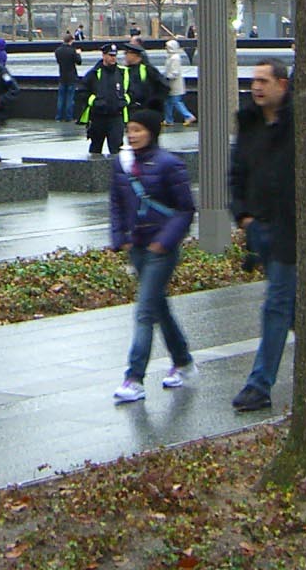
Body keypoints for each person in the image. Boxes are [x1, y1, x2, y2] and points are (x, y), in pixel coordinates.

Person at [108, 109, 195, 404]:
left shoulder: (170, 164)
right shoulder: (122, 164)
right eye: (129, 130)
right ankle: (183, 362)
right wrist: (120, 238)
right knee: (158, 307)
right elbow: (116, 203)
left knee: (145, 311)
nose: (132, 135)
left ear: (152, 132)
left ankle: (134, 378)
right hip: (138, 247)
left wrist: (165, 241)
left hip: (161, 249)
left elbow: (185, 209)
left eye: (138, 130)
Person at [228, 58, 296, 411]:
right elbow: (237, 173)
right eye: (253, 80)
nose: (256, 87)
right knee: (291, 308)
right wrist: (244, 218)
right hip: (261, 230)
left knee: (276, 305)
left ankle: (259, 384)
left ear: (281, 86)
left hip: (292, 233)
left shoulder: (299, 126)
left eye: (264, 81)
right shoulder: (250, 124)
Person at [79, 43, 133, 155]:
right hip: (98, 117)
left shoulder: (123, 72)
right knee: (95, 148)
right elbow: (82, 91)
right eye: (110, 55)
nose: (113, 58)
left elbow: (133, 91)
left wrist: (124, 100)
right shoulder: (94, 73)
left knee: (117, 148)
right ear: (103, 56)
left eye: (115, 55)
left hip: (116, 116)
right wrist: (94, 101)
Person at [161, 38, 195, 126]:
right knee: (168, 102)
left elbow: (174, 72)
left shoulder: (175, 58)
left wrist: (167, 77)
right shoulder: (172, 57)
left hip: (174, 84)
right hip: (171, 84)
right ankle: (168, 119)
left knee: (176, 101)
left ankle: (188, 116)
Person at [53, 34, 82, 122]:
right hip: (71, 77)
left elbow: (59, 62)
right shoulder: (72, 51)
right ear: (71, 40)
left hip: (62, 76)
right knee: (70, 97)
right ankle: (68, 117)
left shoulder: (58, 51)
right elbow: (79, 62)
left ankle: (58, 117)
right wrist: (78, 54)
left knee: (61, 97)